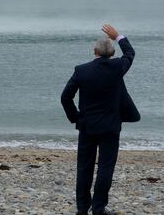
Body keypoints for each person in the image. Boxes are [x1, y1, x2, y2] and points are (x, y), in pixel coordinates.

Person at [61, 24, 139, 215]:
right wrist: (118, 36)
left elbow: (65, 97)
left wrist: (76, 118)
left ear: (94, 52)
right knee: (105, 167)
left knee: (84, 167)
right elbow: (130, 53)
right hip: (111, 126)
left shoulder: (82, 70)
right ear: (112, 53)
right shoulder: (117, 67)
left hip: (87, 126)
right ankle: (98, 208)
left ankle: (82, 209)